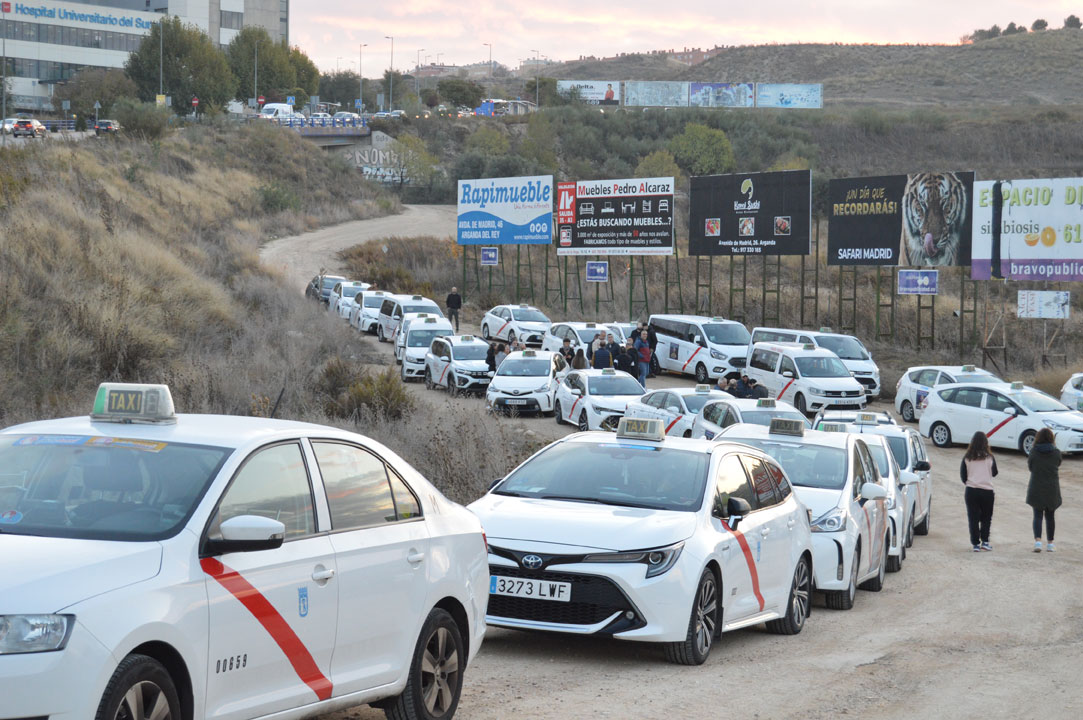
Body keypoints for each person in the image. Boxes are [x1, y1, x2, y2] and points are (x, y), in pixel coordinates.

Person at [961, 431, 998, 552]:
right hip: (987, 490)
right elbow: (995, 473)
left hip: (971, 490)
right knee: (986, 518)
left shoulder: (967, 457)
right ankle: (985, 542)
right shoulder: (990, 457)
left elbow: (963, 476)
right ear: (986, 443)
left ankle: (975, 544)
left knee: (973, 518)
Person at [1026, 427, 1062, 553]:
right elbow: (1058, 463)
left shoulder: (1034, 452)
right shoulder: (1056, 452)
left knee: (1037, 515)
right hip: (1052, 487)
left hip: (1036, 485)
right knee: (1050, 516)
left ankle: (1038, 542)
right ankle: (1050, 544)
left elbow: (1030, 466)